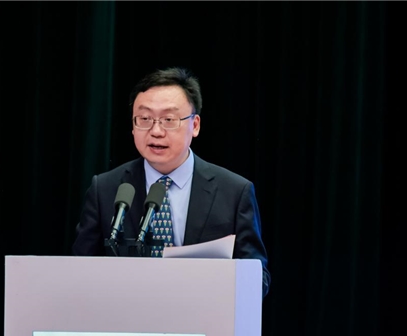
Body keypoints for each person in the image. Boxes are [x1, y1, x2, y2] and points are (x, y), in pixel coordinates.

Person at [72, 67, 271, 297]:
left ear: (195, 125)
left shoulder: (234, 192)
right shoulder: (106, 189)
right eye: (145, 119)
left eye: (168, 120)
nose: (156, 131)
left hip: (202, 314)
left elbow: (258, 279)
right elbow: (79, 272)